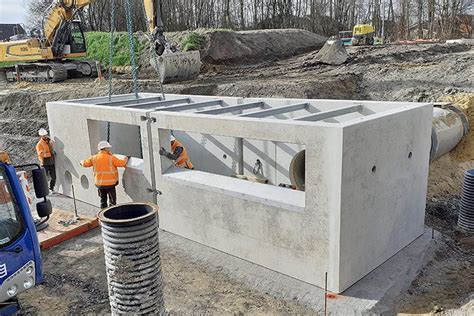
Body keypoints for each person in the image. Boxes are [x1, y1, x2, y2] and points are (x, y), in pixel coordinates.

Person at [80, 141, 129, 209]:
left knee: (103, 201)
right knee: (112, 202)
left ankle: (103, 215)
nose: (109, 149)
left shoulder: (94, 158)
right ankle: (112, 216)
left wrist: (81, 162)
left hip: (100, 184)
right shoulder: (111, 158)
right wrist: (126, 158)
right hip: (110, 184)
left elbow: (85, 164)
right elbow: (122, 163)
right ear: (105, 148)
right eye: (108, 147)